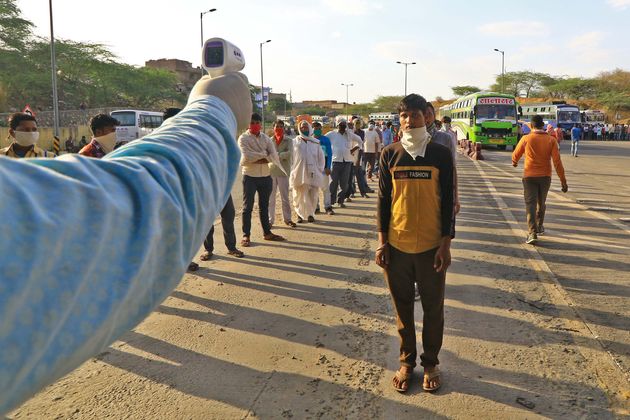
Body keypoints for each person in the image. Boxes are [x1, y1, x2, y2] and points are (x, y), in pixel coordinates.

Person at [0, 71, 252, 414]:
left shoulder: (46, 156)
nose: (112, 135)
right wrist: (212, 110)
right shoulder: (76, 160)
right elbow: (119, 209)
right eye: (108, 131)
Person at [376, 94, 454, 394]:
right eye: (404, 115)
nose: (409, 121)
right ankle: (407, 362)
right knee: (403, 309)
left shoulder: (439, 154)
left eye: (416, 115)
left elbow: (447, 202)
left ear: (428, 117)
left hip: (432, 248)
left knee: (433, 309)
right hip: (397, 246)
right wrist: (382, 243)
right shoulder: (390, 154)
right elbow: (383, 202)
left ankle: (431, 362)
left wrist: (445, 245)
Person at [162, 107, 244, 266]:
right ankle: (208, 249)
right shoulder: (169, 142)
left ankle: (231, 247)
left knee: (228, 215)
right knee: (206, 221)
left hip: (220, 185)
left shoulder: (198, 136)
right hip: (201, 188)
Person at [512, 115, 568, 244]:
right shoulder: (551, 140)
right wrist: (563, 181)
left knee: (530, 203)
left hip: (529, 176)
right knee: (541, 202)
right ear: (543, 126)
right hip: (545, 176)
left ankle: (532, 232)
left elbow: (516, 154)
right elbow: (557, 162)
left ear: (531, 126)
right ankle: (540, 225)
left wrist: (514, 162)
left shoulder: (526, 138)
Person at [238, 113, 286, 246]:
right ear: (248, 124)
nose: (254, 125)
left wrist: (259, 157)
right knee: (247, 207)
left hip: (265, 176)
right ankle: (246, 235)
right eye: (252, 123)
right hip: (249, 176)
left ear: (260, 124)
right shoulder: (243, 138)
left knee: (264, 206)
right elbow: (246, 156)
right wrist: (264, 155)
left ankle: (267, 233)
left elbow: (274, 156)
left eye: (256, 122)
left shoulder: (266, 138)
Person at [290, 120, 325, 223]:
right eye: (302, 127)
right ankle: (299, 215)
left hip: (313, 173)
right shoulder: (294, 142)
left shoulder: (315, 142)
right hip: (298, 172)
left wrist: (319, 169)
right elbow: (291, 158)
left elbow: (321, 157)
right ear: (299, 129)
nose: (304, 129)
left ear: (309, 128)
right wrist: (292, 170)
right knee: (298, 195)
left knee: (313, 195)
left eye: (306, 127)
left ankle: (310, 214)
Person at [325, 119, 360, 208]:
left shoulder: (349, 135)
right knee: (333, 183)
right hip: (335, 161)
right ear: (337, 125)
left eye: (344, 125)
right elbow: (323, 140)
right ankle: (331, 201)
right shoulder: (332, 134)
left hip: (347, 162)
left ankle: (340, 200)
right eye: (340, 125)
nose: (342, 126)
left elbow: (360, 141)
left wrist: (354, 149)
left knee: (344, 184)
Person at [269, 119, 296, 227]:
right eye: (277, 126)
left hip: (283, 171)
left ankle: (288, 219)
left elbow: (289, 153)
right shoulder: (269, 140)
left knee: (285, 197)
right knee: (271, 198)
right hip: (271, 171)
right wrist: (278, 155)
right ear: (273, 128)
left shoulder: (289, 140)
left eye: (281, 126)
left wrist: (276, 155)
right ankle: (270, 220)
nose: (279, 128)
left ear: (284, 128)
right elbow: (267, 154)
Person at [313, 121, 334, 215]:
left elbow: (329, 154)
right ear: (312, 129)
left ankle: (328, 206)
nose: (317, 130)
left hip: (324, 168)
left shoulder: (326, 140)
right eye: (315, 129)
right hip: (313, 169)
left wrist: (328, 166)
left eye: (318, 129)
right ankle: (316, 207)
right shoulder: (309, 140)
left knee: (325, 188)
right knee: (314, 189)